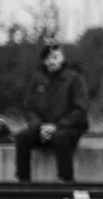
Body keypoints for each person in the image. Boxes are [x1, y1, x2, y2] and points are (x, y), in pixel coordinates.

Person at [15, 44, 89, 183]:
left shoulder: (75, 78)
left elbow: (80, 108)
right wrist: (39, 126)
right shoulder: (37, 78)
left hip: (69, 128)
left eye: (55, 57)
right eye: (48, 58)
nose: (51, 61)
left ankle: (65, 180)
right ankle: (23, 180)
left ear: (62, 58)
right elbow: (29, 107)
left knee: (60, 137)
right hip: (42, 128)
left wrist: (57, 126)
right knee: (22, 137)